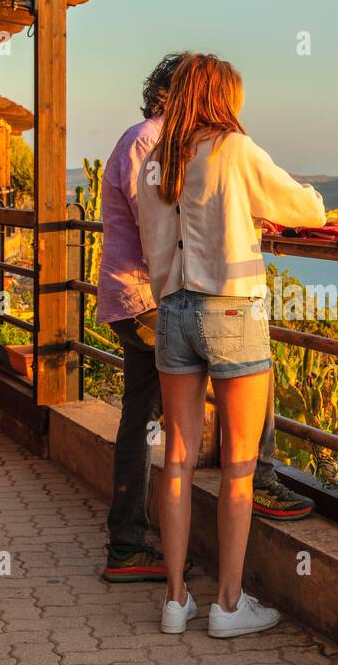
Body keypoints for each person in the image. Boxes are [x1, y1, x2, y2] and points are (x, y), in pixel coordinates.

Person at [96, 54, 315, 585]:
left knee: (164, 441)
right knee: (235, 424)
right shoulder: (166, 143)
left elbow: (168, 219)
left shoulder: (155, 146)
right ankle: (235, 547)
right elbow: (303, 208)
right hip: (170, 298)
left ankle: (164, 586)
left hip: (159, 301)